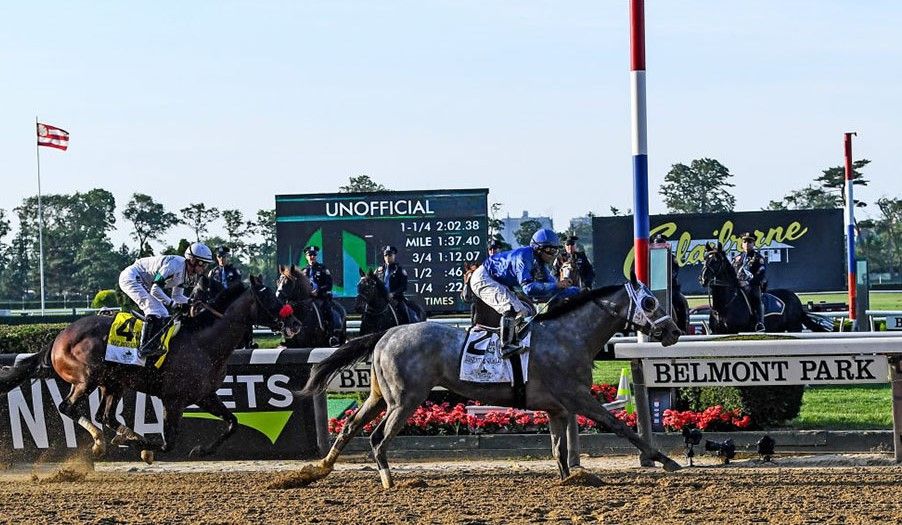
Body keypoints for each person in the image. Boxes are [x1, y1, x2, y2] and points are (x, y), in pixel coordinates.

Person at [469, 228, 581, 357]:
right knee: (510, 308)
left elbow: (555, 291)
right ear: (538, 248)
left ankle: (516, 340)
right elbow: (528, 290)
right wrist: (556, 285)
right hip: (483, 277)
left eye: (555, 250)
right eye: (549, 250)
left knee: (525, 312)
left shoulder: (540, 264)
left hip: (497, 280)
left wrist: (579, 292)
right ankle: (506, 346)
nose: (553, 253)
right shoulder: (524, 256)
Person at [118, 242, 213, 358]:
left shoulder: (188, 275)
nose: (204, 269)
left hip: (145, 282)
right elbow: (155, 290)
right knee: (155, 309)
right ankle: (145, 347)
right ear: (192, 260)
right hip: (132, 277)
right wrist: (174, 305)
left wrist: (191, 302)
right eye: (203, 264)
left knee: (163, 312)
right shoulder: (174, 266)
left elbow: (177, 296)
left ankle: (152, 344)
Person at [301, 245, 342, 346]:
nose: (312, 257)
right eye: (310, 255)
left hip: (321, 298)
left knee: (328, 311)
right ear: (306, 257)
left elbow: (329, 284)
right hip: (307, 299)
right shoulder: (303, 271)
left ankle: (332, 336)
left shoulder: (323, 268)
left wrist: (318, 291)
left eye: (314, 255)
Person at [732, 232, 768, 332]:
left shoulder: (758, 258)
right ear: (741, 244)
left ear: (753, 244)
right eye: (745, 241)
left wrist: (748, 283)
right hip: (738, 287)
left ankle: (760, 323)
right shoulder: (737, 258)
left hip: (752, 286)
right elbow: (732, 273)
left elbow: (761, 274)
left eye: (750, 241)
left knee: (756, 299)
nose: (747, 243)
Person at [375, 246, 419, 321]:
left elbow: (404, 287)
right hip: (382, 300)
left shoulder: (400, 270)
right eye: (385, 255)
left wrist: (393, 294)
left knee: (404, 312)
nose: (387, 257)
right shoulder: (379, 271)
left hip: (396, 299)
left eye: (390, 255)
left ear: (394, 256)